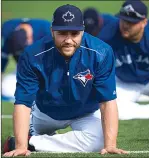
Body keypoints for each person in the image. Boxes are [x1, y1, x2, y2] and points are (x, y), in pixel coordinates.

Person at [3, 4, 127, 157]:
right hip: (45, 113)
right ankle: (30, 139)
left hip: (85, 113)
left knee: (100, 142)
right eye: (62, 33)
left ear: (82, 31)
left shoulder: (101, 52)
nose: (68, 40)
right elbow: (23, 102)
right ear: (52, 31)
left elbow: (107, 101)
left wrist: (110, 145)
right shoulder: (32, 55)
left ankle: (34, 142)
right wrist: (20, 147)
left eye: (74, 33)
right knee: (22, 130)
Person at [84, 1, 149, 120]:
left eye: (131, 22)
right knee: (105, 108)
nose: (125, 25)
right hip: (126, 82)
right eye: (123, 20)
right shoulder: (108, 36)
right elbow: (92, 63)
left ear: (144, 22)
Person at [1, 18, 52, 101]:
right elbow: (3, 57)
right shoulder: (7, 32)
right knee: (5, 88)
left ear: (29, 38)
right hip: (22, 69)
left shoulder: (47, 31)